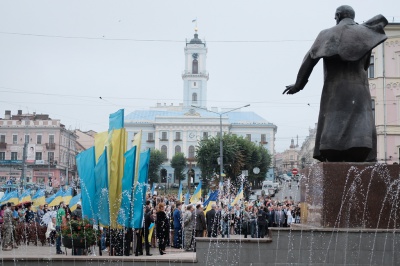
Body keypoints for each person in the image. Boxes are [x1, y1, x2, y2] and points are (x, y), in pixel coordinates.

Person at [284, 5, 388, 162]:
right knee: (361, 122)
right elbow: (366, 63)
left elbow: (309, 60)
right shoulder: (366, 34)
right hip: (359, 88)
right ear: (353, 17)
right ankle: (362, 149)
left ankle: (331, 149)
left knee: (333, 123)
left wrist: (298, 85)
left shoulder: (326, 34)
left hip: (335, 89)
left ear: (338, 16)